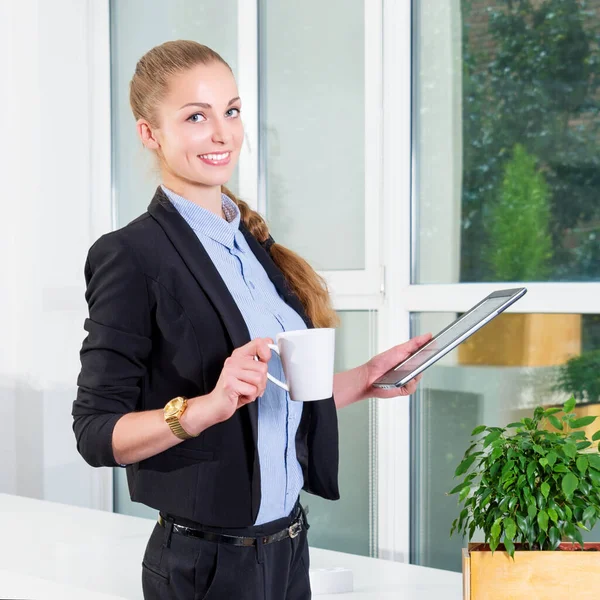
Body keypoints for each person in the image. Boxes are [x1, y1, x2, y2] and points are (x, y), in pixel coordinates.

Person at [72, 39, 430, 600]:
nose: (222, 134)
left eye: (231, 111)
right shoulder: (132, 254)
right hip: (207, 565)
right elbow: (96, 434)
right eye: (196, 116)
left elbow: (274, 396)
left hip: (288, 548)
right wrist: (207, 408)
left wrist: (367, 377)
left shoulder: (252, 244)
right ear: (150, 133)